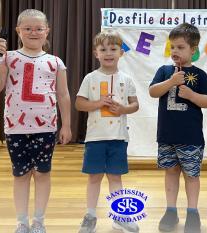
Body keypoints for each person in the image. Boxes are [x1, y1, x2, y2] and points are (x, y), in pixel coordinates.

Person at [0, 9, 72, 233]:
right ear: (18, 31)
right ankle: (22, 221)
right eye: (27, 28)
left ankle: (39, 221)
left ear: (47, 32)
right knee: (21, 174)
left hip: (47, 126)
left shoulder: (55, 61)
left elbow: (63, 94)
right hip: (16, 127)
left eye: (38, 28)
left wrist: (67, 124)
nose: (33, 32)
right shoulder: (8, 57)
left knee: (42, 173)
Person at [149, 23, 207, 233]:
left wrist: (192, 95)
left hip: (191, 137)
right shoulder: (164, 71)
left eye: (180, 47)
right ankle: (170, 210)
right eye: (172, 47)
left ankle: (193, 212)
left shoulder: (200, 74)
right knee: (170, 172)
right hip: (167, 135)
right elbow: (152, 92)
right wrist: (170, 82)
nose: (175, 51)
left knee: (191, 175)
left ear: (193, 50)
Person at [75, 30, 139, 233]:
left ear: (121, 52)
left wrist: (123, 109)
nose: (108, 53)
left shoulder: (127, 79)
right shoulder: (90, 78)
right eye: (103, 49)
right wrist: (97, 103)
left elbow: (135, 105)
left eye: (113, 49)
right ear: (96, 53)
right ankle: (90, 215)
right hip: (95, 138)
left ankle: (120, 216)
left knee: (115, 177)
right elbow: (79, 103)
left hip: (119, 138)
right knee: (94, 177)